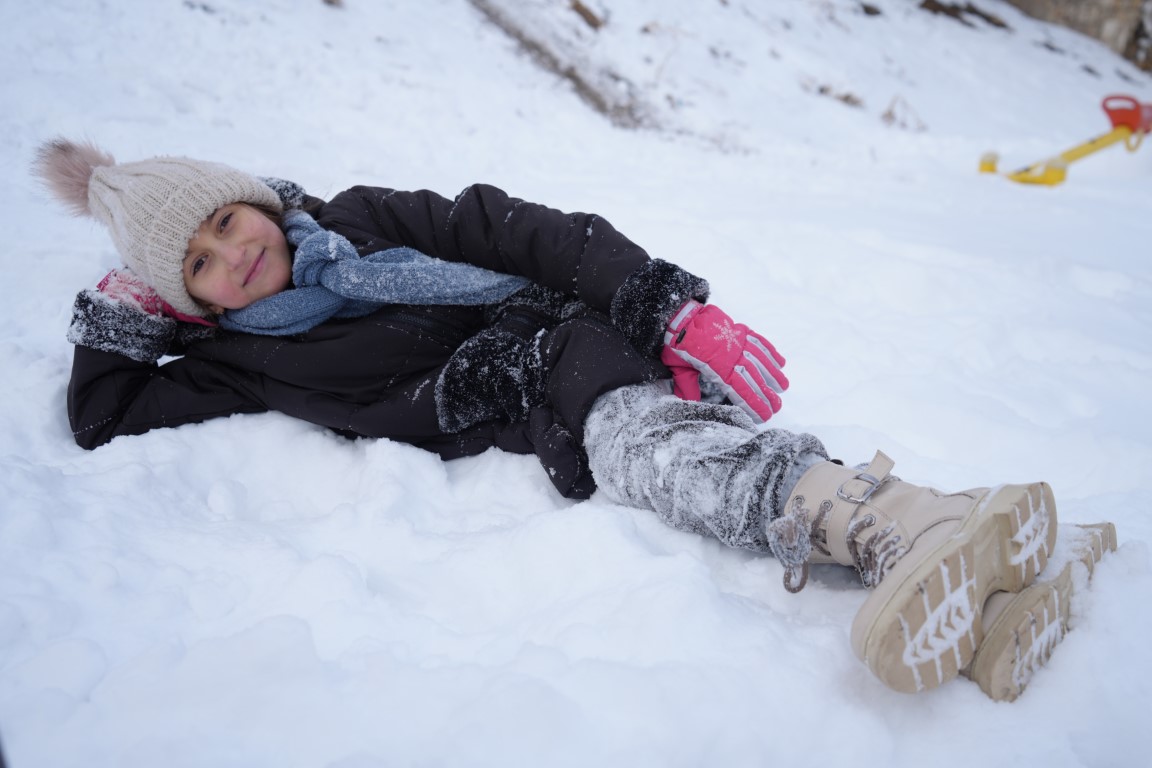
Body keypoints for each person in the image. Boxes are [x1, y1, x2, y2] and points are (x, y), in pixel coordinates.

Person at [33, 137, 1108, 700]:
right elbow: (105, 411)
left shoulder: (360, 221)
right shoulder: (242, 364)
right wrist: (124, 310)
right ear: (188, 301)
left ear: (256, 198)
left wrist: (665, 304)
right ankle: (980, 584)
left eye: (227, 221)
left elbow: (513, 227)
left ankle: (901, 528)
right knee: (696, 459)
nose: (236, 256)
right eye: (200, 266)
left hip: (600, 343)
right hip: (542, 386)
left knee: (672, 460)